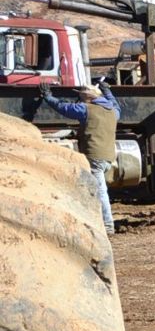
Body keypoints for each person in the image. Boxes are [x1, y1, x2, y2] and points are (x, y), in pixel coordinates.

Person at [47, 84, 120, 232]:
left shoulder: (86, 109)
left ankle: (107, 225)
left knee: (100, 191)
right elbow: (114, 102)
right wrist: (107, 90)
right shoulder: (114, 110)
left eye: (81, 94)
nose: (79, 96)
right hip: (108, 157)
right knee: (95, 189)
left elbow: (64, 108)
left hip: (94, 156)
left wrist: (48, 97)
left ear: (88, 96)